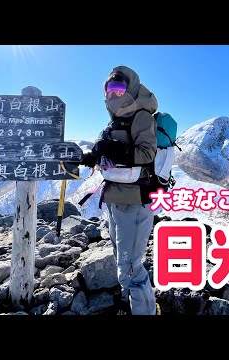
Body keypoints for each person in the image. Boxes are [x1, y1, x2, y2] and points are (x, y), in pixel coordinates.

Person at [81, 65, 158, 315]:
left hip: (134, 202)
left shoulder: (142, 117)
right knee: (121, 258)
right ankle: (132, 305)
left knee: (132, 267)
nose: (114, 94)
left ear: (131, 88)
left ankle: (144, 310)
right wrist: (91, 156)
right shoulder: (115, 121)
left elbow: (147, 154)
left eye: (119, 88)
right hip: (115, 201)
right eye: (109, 89)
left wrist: (115, 150)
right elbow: (103, 153)